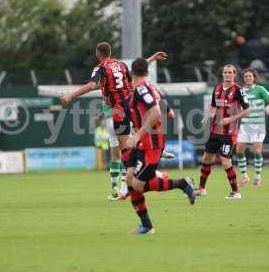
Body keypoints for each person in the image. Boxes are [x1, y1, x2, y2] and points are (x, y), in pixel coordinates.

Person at [60, 42, 167, 180]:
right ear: (110, 52)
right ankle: (148, 155)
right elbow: (137, 69)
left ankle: (148, 173)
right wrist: (152, 58)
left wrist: (70, 96)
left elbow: (91, 85)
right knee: (131, 142)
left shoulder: (100, 68)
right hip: (131, 105)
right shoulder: (121, 64)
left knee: (125, 150)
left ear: (98, 53)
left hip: (118, 110)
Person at [125, 57, 196, 235]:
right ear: (148, 72)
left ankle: (182, 184)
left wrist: (140, 133)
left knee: (138, 185)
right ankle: (146, 225)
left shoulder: (141, 90)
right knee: (129, 180)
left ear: (132, 73)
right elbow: (169, 113)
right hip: (141, 143)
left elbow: (156, 112)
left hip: (149, 144)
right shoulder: (151, 88)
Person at [197, 64, 250, 199]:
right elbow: (213, 106)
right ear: (222, 74)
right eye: (225, 72)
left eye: (230, 73)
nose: (227, 75)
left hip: (229, 133)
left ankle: (236, 192)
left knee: (225, 162)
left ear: (234, 74)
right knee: (206, 158)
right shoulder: (217, 88)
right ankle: (201, 189)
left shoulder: (239, 90)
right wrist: (207, 115)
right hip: (215, 131)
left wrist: (229, 119)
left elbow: (248, 110)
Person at [236, 68, 269, 187]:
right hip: (244, 126)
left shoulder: (260, 89)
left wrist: (268, 107)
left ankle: (257, 176)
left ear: (254, 78)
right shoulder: (241, 91)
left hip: (258, 126)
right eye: (246, 76)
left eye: (250, 76)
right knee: (239, 151)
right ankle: (244, 176)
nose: (248, 78)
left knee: (257, 151)